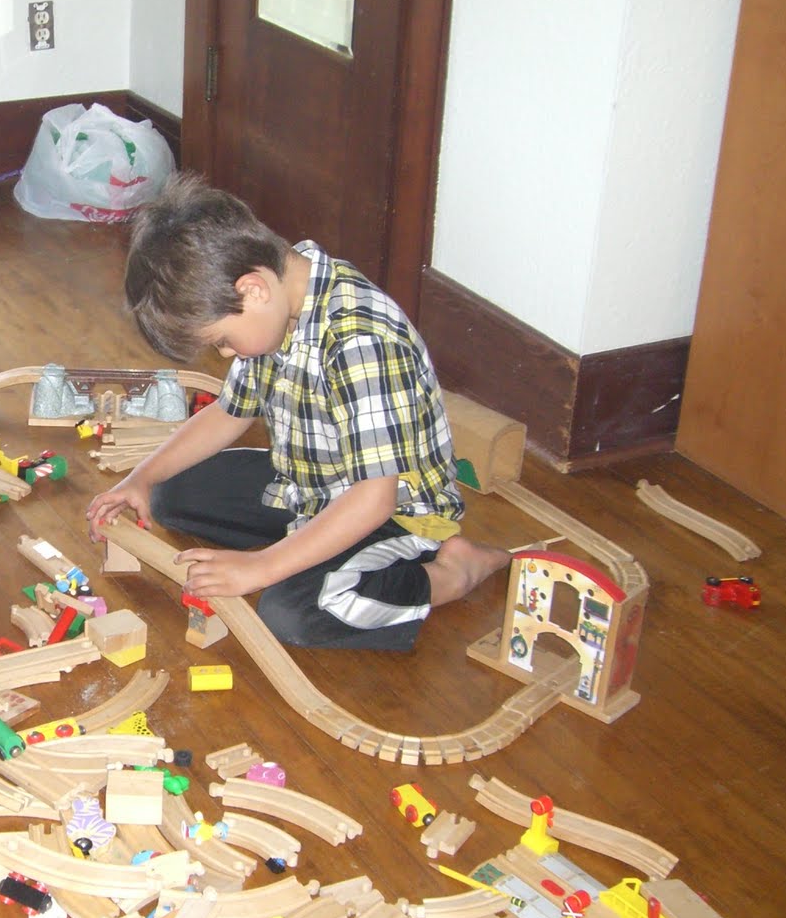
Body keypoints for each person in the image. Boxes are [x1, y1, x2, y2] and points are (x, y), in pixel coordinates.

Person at [86, 174, 509, 650]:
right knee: (171, 493)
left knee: (292, 613)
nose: (226, 354)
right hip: (310, 484)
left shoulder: (360, 341)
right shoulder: (276, 297)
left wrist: (263, 566)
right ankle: (309, 548)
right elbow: (229, 413)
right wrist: (142, 477)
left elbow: (374, 499)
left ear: (252, 290)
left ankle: (450, 574)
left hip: (394, 513)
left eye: (222, 341)